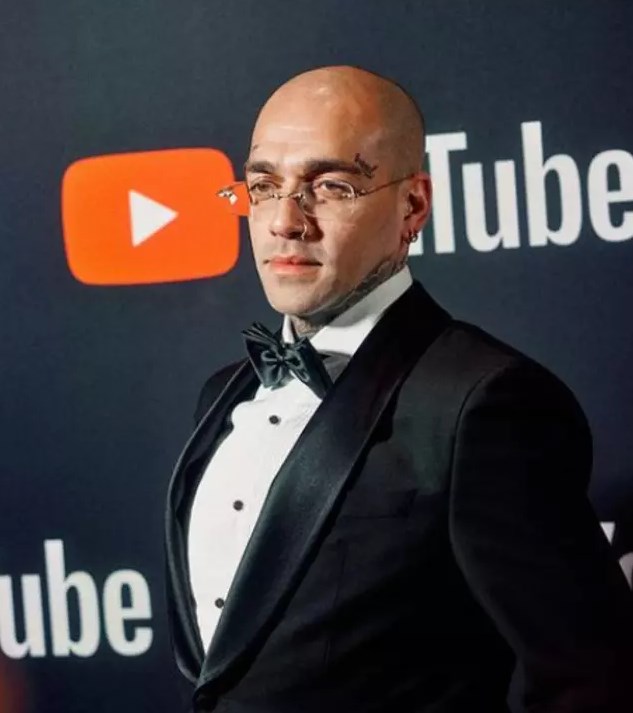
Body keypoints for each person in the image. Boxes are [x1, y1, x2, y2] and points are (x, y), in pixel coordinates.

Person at [165, 65, 633, 712]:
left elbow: (586, 677)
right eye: (265, 185)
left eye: (330, 186)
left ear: (412, 206)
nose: (285, 221)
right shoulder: (224, 392)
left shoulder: (483, 402)